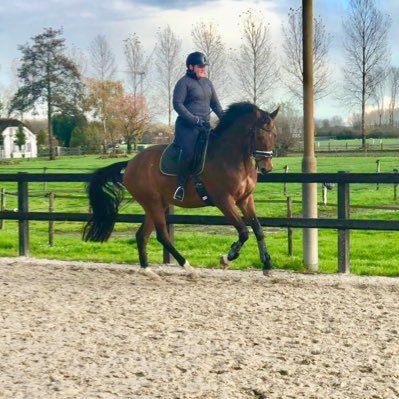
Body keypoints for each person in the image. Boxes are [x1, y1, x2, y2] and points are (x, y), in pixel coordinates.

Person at [172, 51, 224, 201]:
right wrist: (194, 120)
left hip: (204, 125)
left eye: (204, 66)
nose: (203, 69)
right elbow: (177, 104)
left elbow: (215, 105)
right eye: (200, 66)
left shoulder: (207, 83)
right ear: (190, 66)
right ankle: (180, 186)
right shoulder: (183, 82)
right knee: (189, 151)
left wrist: (226, 120)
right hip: (186, 126)